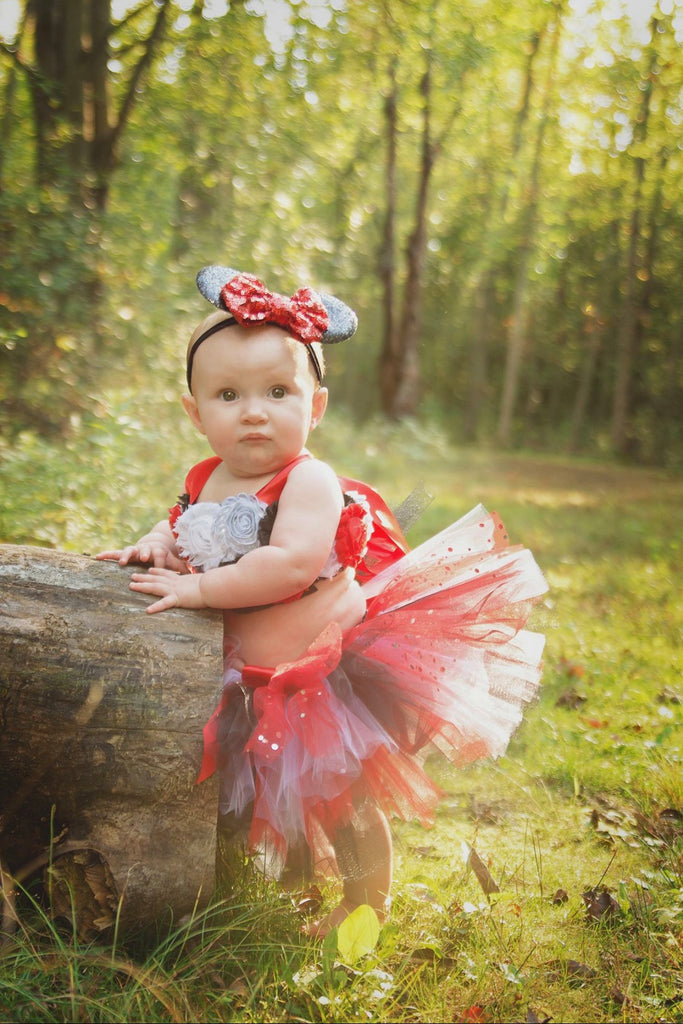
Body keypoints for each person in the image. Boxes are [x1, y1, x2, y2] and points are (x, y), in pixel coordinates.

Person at [97, 265, 548, 937]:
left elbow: (287, 566)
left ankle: (367, 904)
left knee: (344, 796)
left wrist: (196, 588)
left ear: (316, 408)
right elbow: (183, 521)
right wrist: (155, 542)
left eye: (278, 391)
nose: (254, 411)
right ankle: (288, 884)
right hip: (251, 673)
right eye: (228, 394)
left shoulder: (307, 480)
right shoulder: (209, 477)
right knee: (276, 793)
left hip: (325, 670)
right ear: (195, 413)